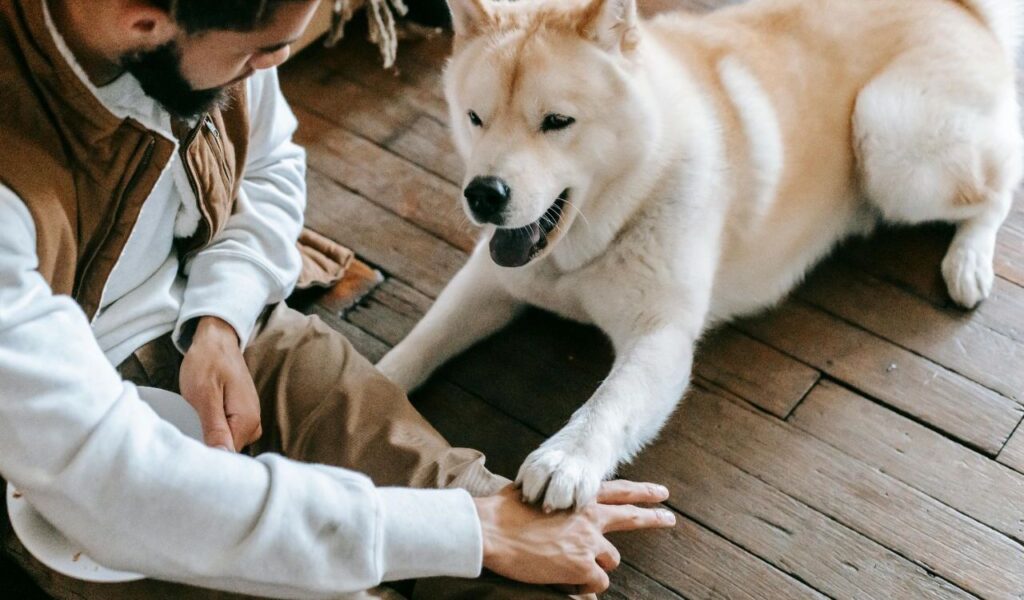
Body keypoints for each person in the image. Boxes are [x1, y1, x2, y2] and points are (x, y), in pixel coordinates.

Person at [0, 1, 676, 598]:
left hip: (220, 331)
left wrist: (219, 319)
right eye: (260, 52)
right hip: (37, 451)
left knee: (491, 526)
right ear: (142, 24)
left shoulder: (215, 33)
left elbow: (268, 165)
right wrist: (466, 532)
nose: (275, 65)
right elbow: (115, 486)